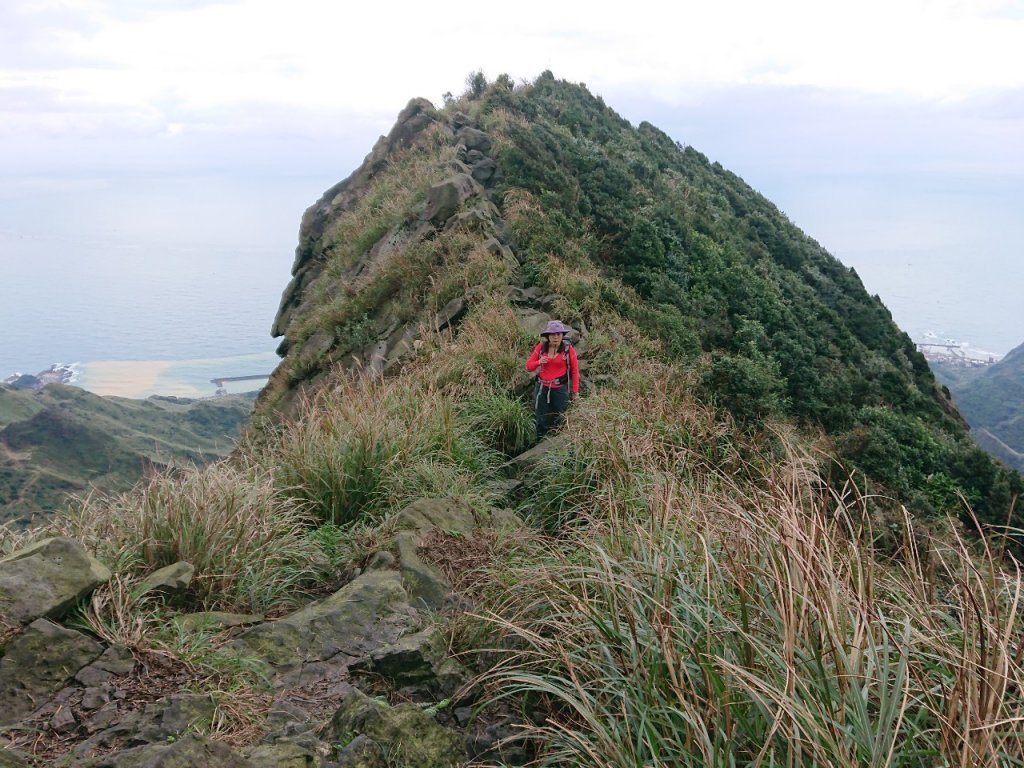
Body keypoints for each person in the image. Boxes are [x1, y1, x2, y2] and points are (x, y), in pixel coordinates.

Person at [526, 320, 579, 439]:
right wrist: (539, 362)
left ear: (562, 335)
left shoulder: (568, 349)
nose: (556, 337)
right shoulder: (541, 347)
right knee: (541, 417)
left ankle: (556, 443)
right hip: (542, 388)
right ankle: (540, 441)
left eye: (558, 334)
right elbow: (529, 366)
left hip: (560, 389)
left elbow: (575, 371)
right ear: (548, 336)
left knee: (560, 417)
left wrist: (575, 392)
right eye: (552, 334)